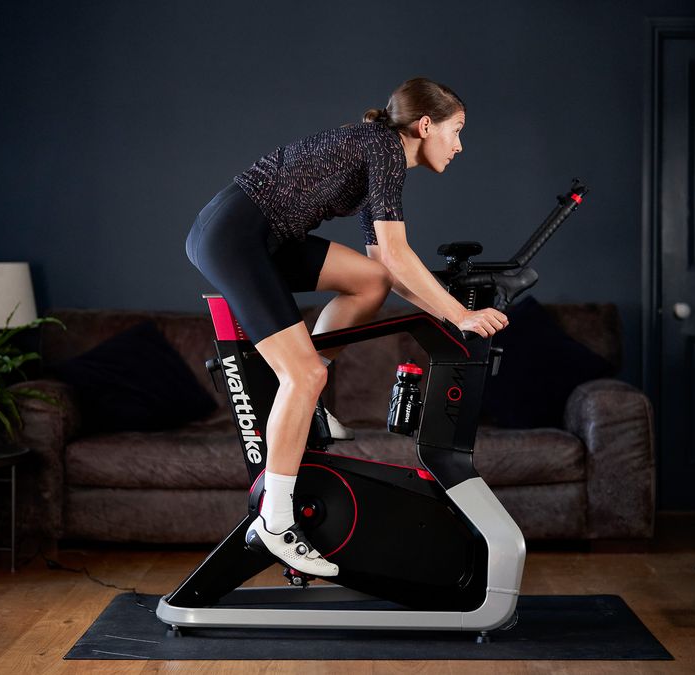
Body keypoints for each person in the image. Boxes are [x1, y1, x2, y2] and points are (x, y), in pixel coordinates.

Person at [184, 77, 509, 577]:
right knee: (305, 376)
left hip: (261, 235)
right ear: (426, 126)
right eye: (456, 130)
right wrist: (459, 314)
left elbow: (386, 262)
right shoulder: (383, 145)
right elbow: (401, 254)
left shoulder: (380, 155)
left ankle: (298, 396)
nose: (460, 145)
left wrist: (441, 309)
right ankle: (274, 522)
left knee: (368, 282)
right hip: (235, 236)